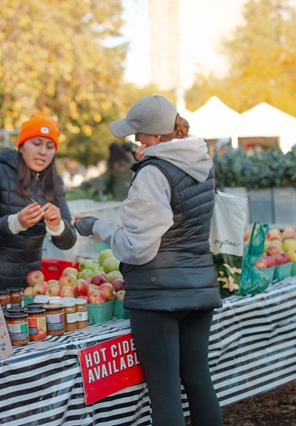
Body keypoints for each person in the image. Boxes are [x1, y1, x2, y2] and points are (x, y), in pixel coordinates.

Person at [74, 95, 222, 426]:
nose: (135, 140)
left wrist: (98, 226)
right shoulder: (201, 161)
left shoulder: (153, 173)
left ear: (154, 137)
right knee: (198, 381)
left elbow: (137, 249)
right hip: (199, 285)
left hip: (158, 293)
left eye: (139, 134)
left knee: (165, 391)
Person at [0, 112, 77, 291]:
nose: (43, 152)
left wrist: (57, 226)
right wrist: (14, 223)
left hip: (31, 285)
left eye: (50, 146)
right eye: (36, 143)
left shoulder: (54, 182)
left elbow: (68, 241)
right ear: (21, 146)